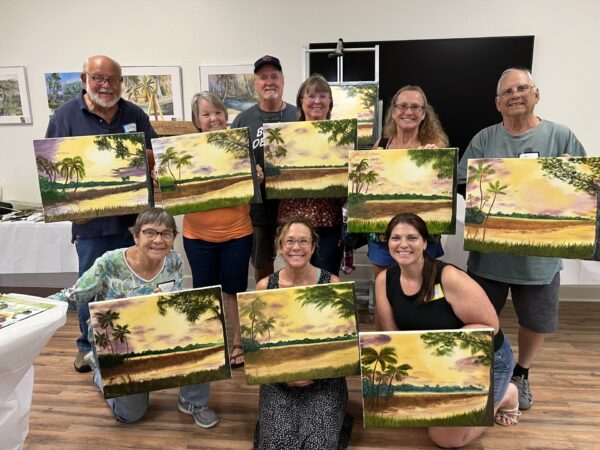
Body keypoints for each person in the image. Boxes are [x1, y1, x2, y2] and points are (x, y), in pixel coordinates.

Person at [457, 67, 587, 411]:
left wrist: (570, 173)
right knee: (480, 317)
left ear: (536, 94)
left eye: (522, 88)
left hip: (539, 259)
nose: (515, 95)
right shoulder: (485, 138)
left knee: (535, 321)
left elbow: (586, 187)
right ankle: (482, 370)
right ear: (497, 103)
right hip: (489, 256)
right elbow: (461, 183)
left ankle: (521, 374)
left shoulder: (561, 136)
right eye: (507, 92)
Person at [50, 208, 218, 428]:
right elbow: (74, 296)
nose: (158, 240)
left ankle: (192, 401)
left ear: (173, 238)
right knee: (130, 415)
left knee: (201, 327)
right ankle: (99, 371)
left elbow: (175, 307)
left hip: (157, 331)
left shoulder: (174, 261)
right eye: (150, 233)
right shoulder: (110, 262)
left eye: (166, 234)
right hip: (117, 341)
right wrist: (33, 307)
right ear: (136, 235)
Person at [45, 54, 158, 373]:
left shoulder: (134, 112)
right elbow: (52, 169)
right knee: (91, 286)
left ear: (121, 83)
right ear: (85, 80)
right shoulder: (65, 115)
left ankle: (130, 341)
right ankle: (86, 346)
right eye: (99, 78)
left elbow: (155, 155)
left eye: (113, 80)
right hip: (90, 225)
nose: (106, 86)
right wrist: (70, 210)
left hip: (135, 223)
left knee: (135, 283)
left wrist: (141, 157)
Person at [376, 213, 519, 448]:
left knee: (445, 439)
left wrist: (441, 354)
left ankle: (505, 395)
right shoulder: (384, 279)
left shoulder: (448, 277)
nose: (403, 244)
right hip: (431, 363)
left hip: (481, 359)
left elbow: (489, 327)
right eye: (396, 238)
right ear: (387, 243)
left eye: (412, 237)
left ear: (425, 242)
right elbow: (389, 333)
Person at [253, 216, 353, 449]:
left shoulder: (332, 284)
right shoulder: (264, 287)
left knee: (318, 444)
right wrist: (283, 374)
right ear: (280, 246)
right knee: (278, 443)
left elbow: (341, 346)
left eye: (303, 241)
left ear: (313, 246)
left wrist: (315, 373)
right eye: (289, 241)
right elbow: (258, 345)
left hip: (325, 378)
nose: (296, 247)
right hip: (277, 378)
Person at [183, 92, 254, 369]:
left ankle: (238, 342)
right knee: (205, 293)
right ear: (197, 120)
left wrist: (256, 175)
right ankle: (211, 343)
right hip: (197, 237)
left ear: (226, 117)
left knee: (234, 290)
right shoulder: (185, 150)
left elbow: (254, 183)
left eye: (218, 113)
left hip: (237, 232)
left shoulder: (241, 146)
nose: (213, 118)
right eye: (206, 114)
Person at [368, 85, 449, 279]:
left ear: (423, 114)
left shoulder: (435, 145)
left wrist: (434, 163)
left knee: (422, 290)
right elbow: (367, 192)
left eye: (415, 107)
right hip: (383, 237)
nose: (408, 112)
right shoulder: (381, 145)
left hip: (421, 237)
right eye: (402, 106)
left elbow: (442, 192)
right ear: (394, 111)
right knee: (385, 287)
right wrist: (372, 162)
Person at [231, 55, 297, 284]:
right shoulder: (242, 120)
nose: (269, 82)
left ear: (283, 81)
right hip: (258, 211)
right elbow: (234, 164)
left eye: (274, 77)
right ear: (255, 83)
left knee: (299, 261)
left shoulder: (298, 116)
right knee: (263, 267)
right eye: (263, 77)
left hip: (294, 206)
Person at [277, 74, 344, 275]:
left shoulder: (342, 136)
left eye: (323, 96)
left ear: (330, 103)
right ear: (301, 102)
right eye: (311, 96)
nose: (317, 101)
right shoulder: (284, 136)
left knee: (326, 276)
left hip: (329, 220)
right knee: (295, 275)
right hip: (292, 221)